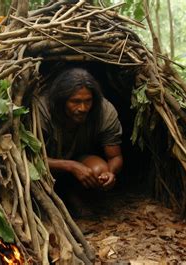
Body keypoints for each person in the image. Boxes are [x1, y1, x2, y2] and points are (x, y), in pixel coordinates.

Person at [36, 67, 123, 213]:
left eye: (87, 101)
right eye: (75, 101)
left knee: (100, 170)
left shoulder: (104, 111)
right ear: (62, 100)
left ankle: (79, 196)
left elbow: (115, 156)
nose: (83, 108)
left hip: (81, 158)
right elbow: (31, 160)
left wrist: (111, 173)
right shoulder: (42, 111)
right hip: (45, 165)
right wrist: (70, 166)